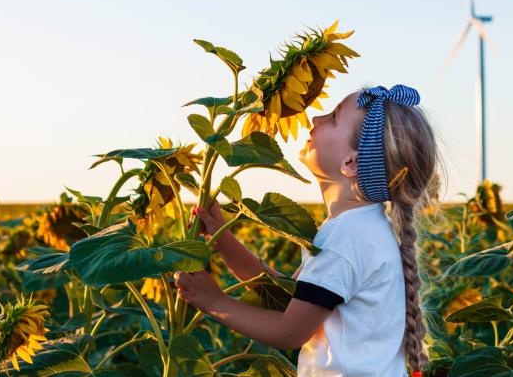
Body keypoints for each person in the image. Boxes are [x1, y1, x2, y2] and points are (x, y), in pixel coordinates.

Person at [174, 84, 445, 376]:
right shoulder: (362, 228)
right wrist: (225, 242)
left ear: (350, 163)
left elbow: (290, 330)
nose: (315, 119)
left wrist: (215, 302)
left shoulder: (347, 238)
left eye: (332, 118)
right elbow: (288, 299)